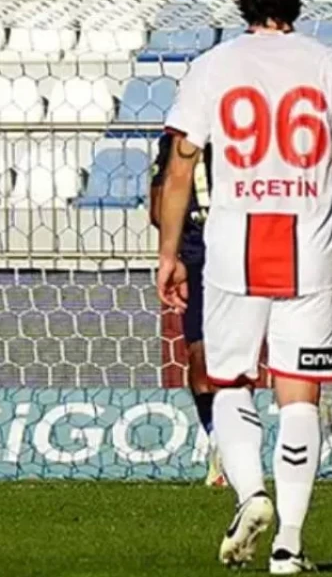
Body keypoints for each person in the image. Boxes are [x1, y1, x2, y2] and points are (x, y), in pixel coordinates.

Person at [157, 0, 332, 574]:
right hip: (309, 249)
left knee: (231, 383)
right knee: (300, 396)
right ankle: (288, 542)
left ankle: (250, 495)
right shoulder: (329, 65)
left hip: (233, 248)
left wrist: (167, 254)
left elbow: (180, 166)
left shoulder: (210, 66)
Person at [149, 134, 223, 486]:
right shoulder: (174, 142)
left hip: (227, 253)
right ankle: (220, 441)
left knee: (215, 354)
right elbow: (155, 206)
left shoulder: (236, 131)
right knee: (206, 353)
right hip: (204, 255)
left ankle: (223, 438)